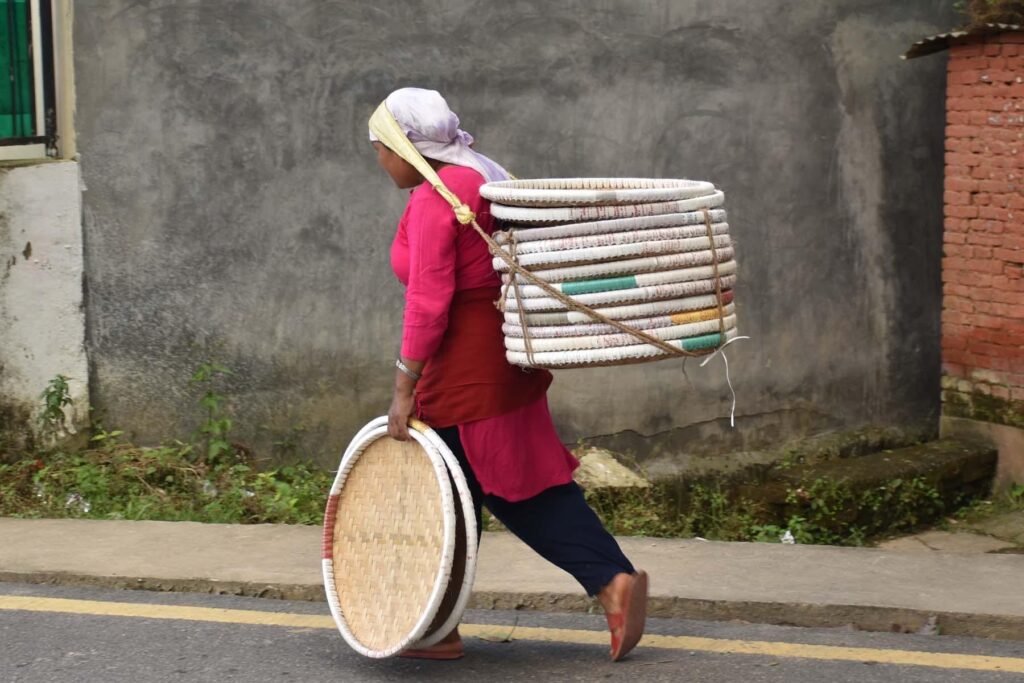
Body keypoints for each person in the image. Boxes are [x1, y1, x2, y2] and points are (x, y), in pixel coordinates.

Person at [368, 87, 647, 662]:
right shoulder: (482, 177)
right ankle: (436, 627)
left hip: (464, 371)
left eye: (380, 149)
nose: (380, 161)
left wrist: (403, 388)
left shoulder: (437, 198)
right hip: (506, 355)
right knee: (463, 489)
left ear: (403, 147)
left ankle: (610, 581)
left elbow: (427, 303)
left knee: (504, 488)